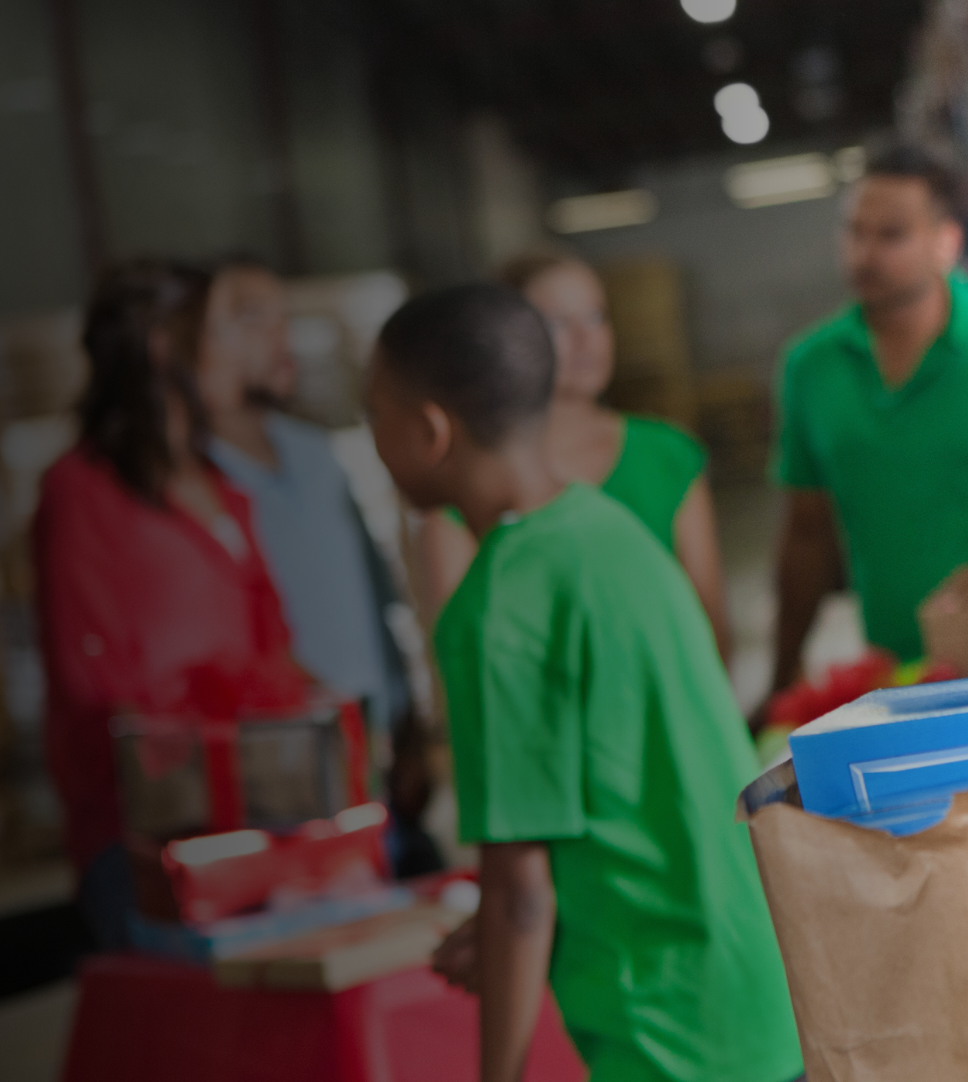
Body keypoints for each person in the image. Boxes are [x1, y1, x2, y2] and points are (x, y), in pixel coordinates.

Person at [366, 284, 800, 1082]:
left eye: (376, 415)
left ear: (429, 431)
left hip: (663, 1028)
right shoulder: (612, 534)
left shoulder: (494, 608)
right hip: (756, 982)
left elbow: (518, 896)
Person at [36, 259, 308, 949]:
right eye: (221, 329)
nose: (243, 350)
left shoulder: (221, 481)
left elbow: (270, 648)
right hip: (151, 843)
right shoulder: (82, 493)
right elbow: (96, 684)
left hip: (262, 820)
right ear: (164, 345)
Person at [767, 146, 968, 711]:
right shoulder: (811, 368)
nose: (864, 253)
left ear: (946, 242)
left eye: (891, 235)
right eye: (854, 232)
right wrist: (782, 675)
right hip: (893, 672)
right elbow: (807, 533)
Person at [415, 253, 730, 661]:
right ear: (505, 339)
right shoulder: (467, 487)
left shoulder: (667, 455)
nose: (587, 340)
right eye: (557, 323)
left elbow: (712, 631)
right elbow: (456, 661)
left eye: (596, 317)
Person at [195, 257, 412, 740]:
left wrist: (406, 714)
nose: (281, 334)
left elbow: (378, 601)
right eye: (252, 318)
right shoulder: (192, 483)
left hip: (376, 741)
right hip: (282, 758)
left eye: (283, 316)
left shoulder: (319, 456)